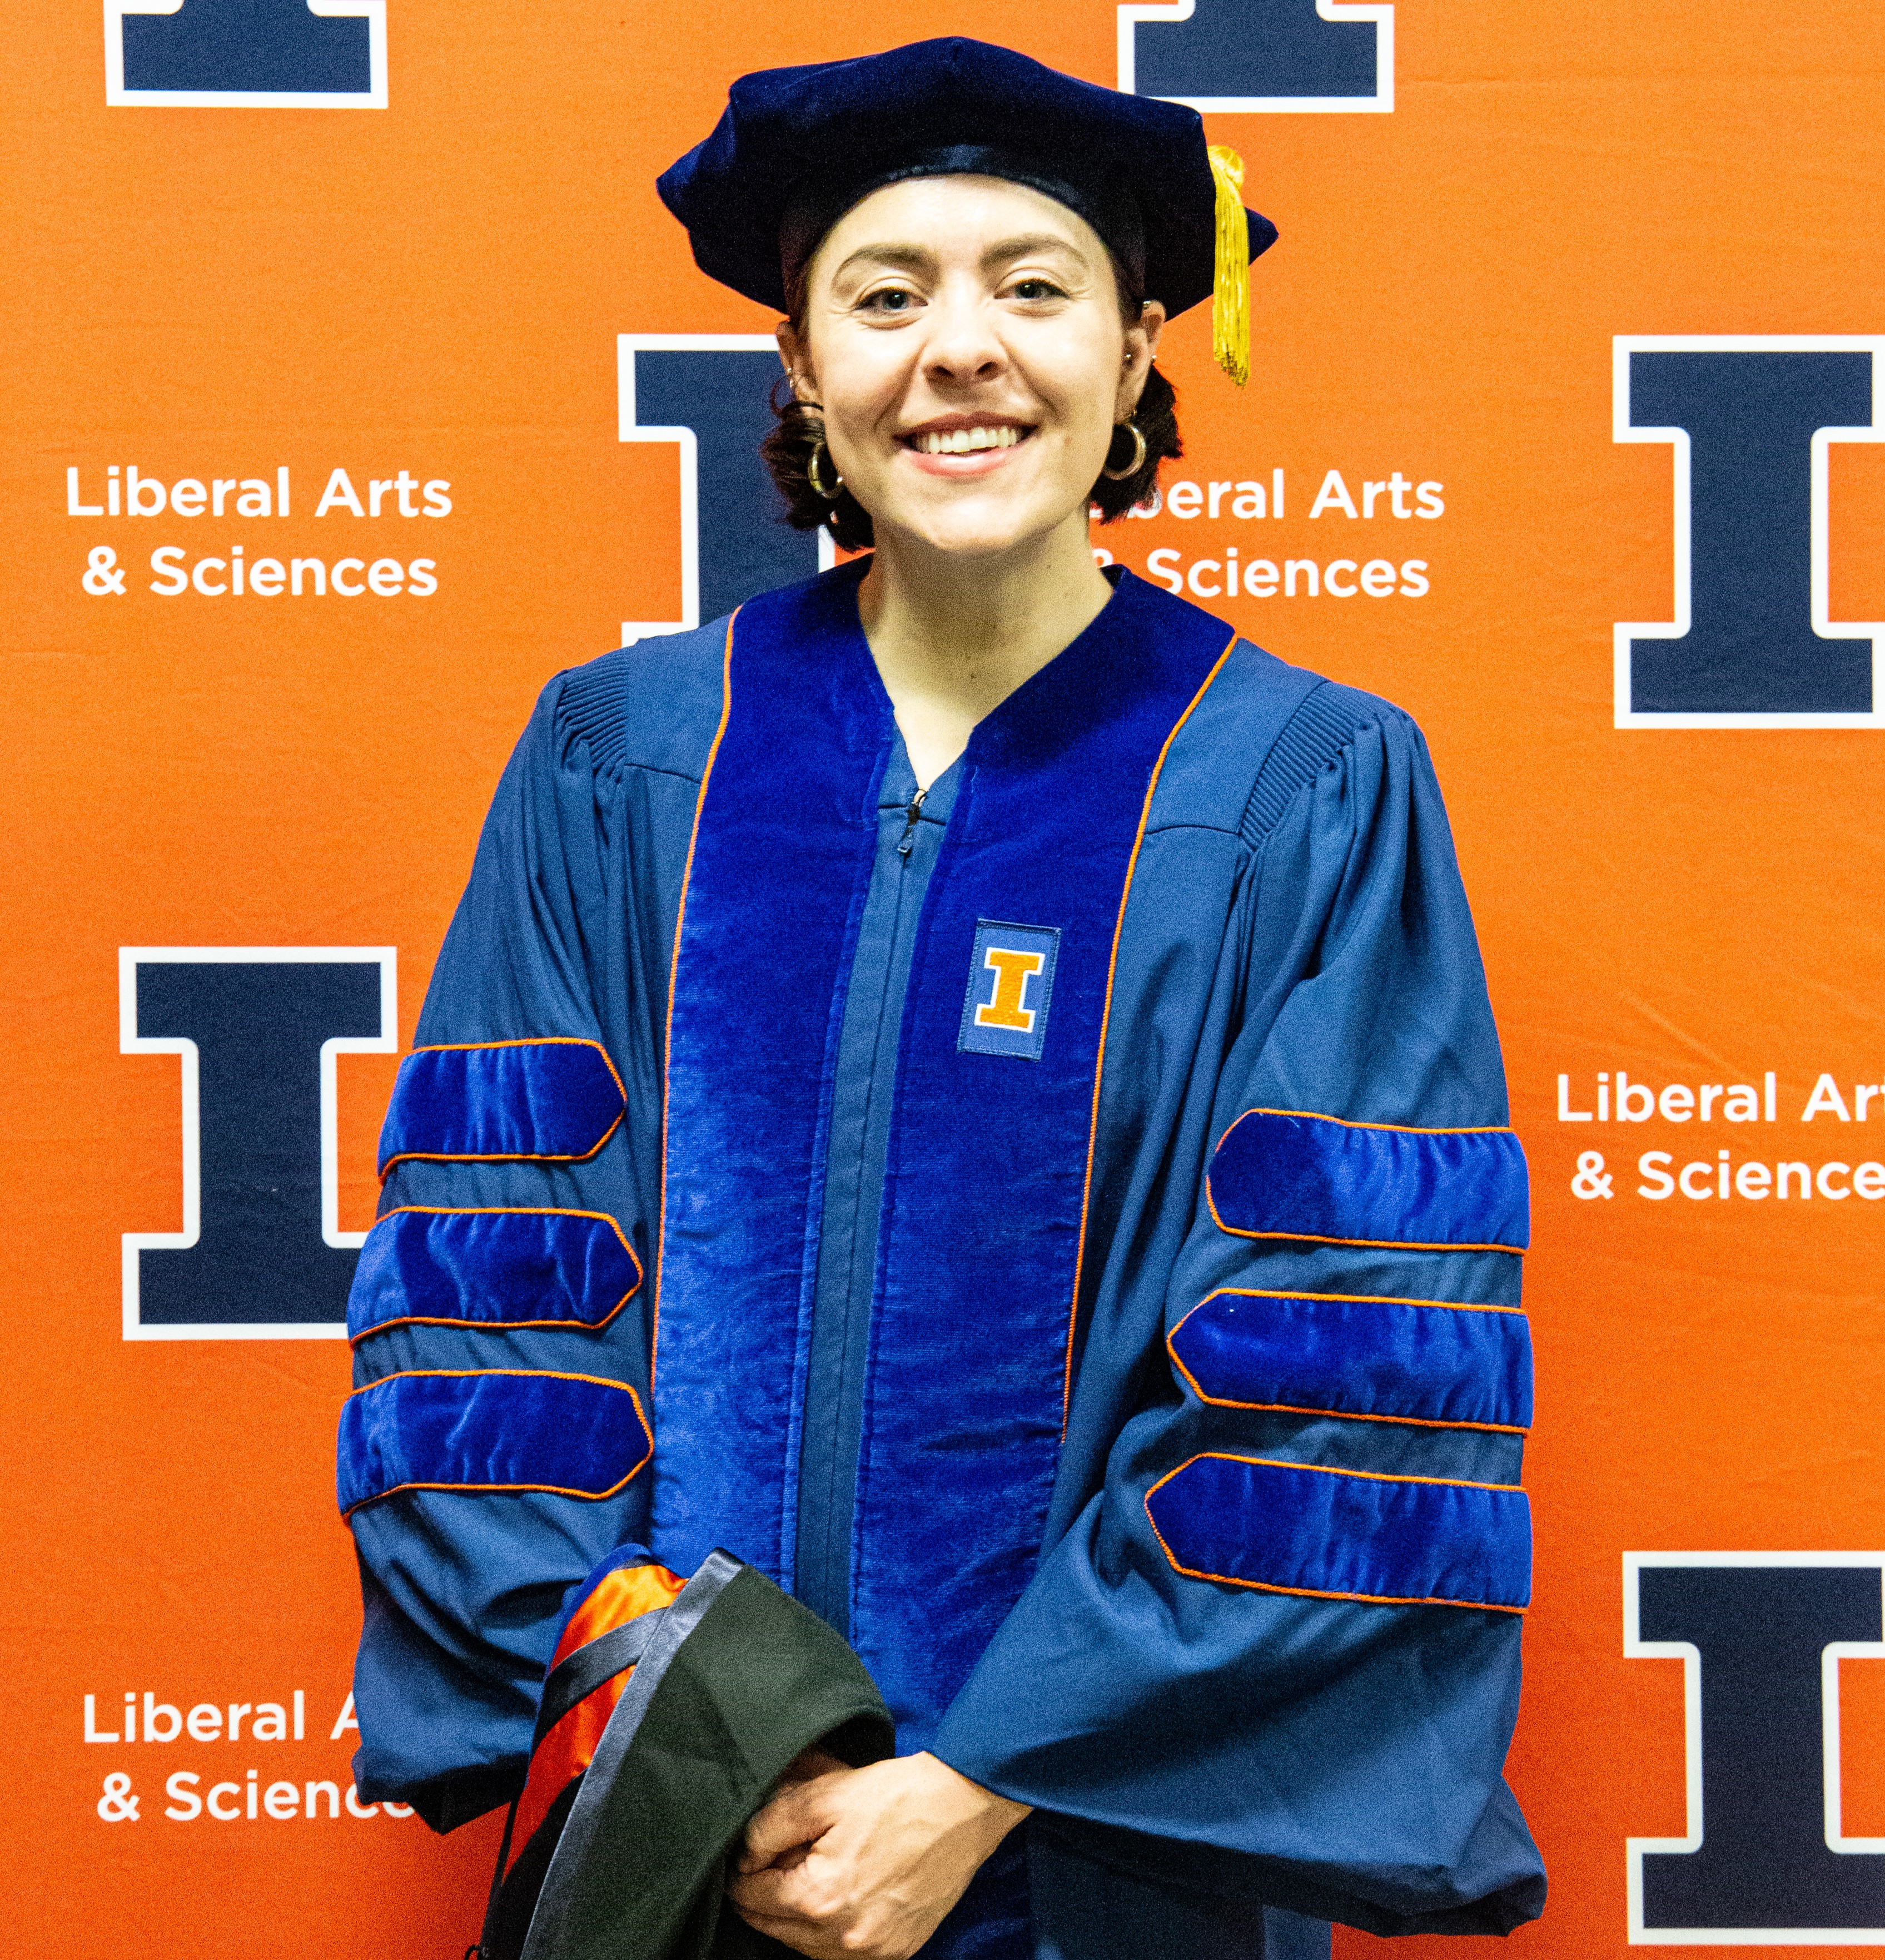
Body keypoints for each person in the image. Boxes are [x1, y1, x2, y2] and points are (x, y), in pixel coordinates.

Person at [335, 36, 1545, 1960]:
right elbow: (491, 1304)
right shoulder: (621, 760)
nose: (960, 349)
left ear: (1141, 351)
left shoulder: (1303, 789)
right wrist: (710, 1748)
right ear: (806, 371)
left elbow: (1349, 1365)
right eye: (885, 296)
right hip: (675, 1852)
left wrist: (975, 1786)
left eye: (1035, 287)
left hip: (1108, 1861)